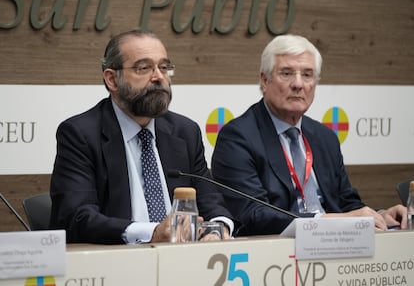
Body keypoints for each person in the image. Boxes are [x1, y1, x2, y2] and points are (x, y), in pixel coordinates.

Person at [50, 30, 235, 244]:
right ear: (112, 79)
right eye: (144, 68)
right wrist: (152, 233)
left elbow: (211, 201)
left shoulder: (185, 132)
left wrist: (218, 229)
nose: (158, 77)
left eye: (164, 67)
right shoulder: (80, 134)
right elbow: (78, 218)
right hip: (115, 265)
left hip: (182, 262)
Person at [211, 34, 407, 236]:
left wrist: (379, 216)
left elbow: (347, 203)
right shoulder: (238, 137)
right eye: (286, 74)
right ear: (264, 80)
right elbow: (254, 215)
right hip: (278, 255)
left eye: (307, 75)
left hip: (338, 249)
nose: (298, 84)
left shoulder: (324, 137)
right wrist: (321, 222)